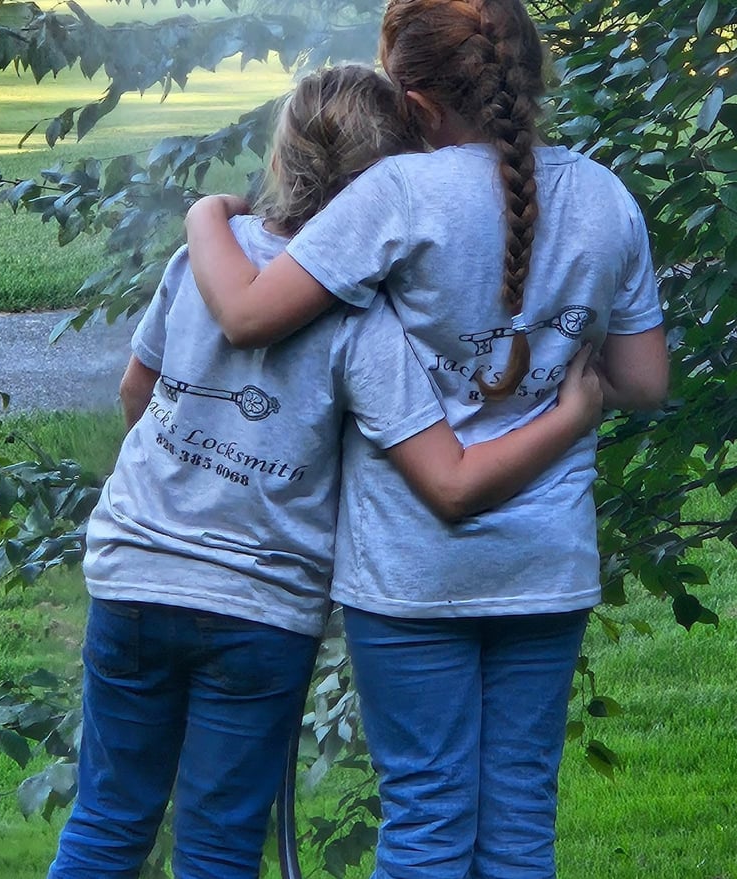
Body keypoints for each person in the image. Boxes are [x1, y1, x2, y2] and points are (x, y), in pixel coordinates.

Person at [47, 63, 602, 879]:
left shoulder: (208, 258)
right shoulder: (366, 320)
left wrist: (189, 492)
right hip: (260, 608)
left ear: (284, 153)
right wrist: (570, 414)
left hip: (134, 576)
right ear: (391, 183)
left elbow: (139, 390)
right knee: (219, 842)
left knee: (107, 816)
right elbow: (442, 471)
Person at [183, 3, 670, 877]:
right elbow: (644, 385)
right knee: (521, 816)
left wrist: (200, 222)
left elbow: (250, 317)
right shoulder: (603, 195)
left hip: (411, 573)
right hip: (545, 566)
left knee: (428, 814)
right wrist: (566, 364)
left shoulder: (396, 196)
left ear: (410, 99)